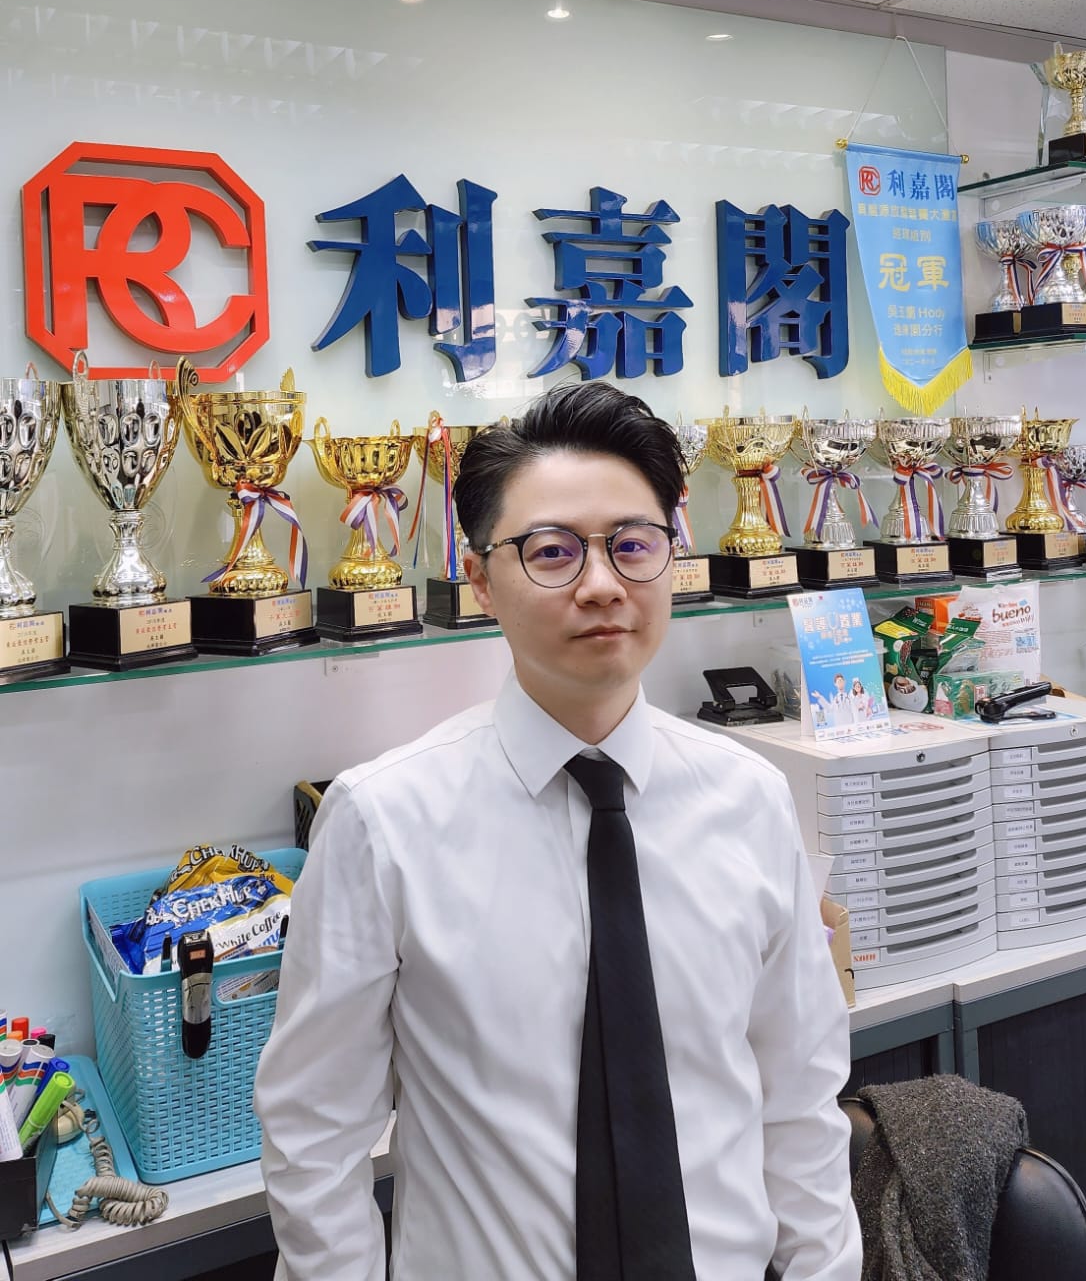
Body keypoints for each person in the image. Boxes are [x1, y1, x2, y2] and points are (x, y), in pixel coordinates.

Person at [255, 380, 860, 1281]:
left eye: (633, 545)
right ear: (480, 582)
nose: (602, 585)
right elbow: (315, 1130)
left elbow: (799, 1097)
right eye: (551, 552)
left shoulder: (749, 799)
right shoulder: (385, 821)